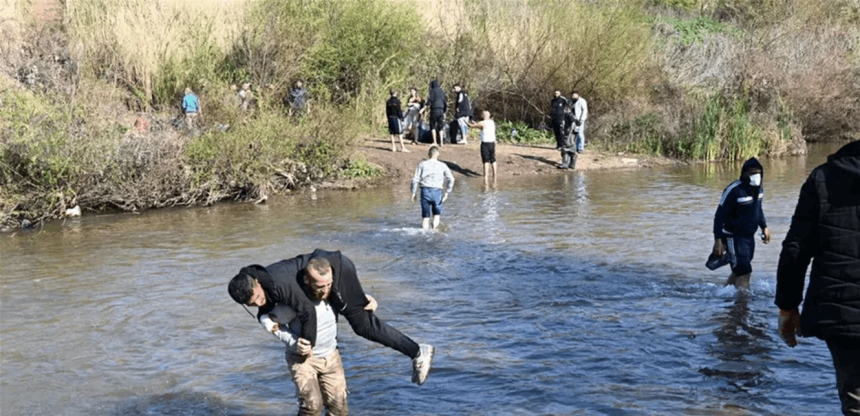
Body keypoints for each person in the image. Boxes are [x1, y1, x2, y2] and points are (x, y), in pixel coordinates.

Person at [228, 250, 436, 386]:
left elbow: (308, 312)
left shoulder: (279, 284)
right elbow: (265, 309)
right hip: (320, 281)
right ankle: (360, 299)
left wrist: (307, 344)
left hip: (337, 269)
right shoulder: (256, 286)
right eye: (251, 303)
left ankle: (418, 351)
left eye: (257, 297)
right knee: (353, 308)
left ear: (257, 282)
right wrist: (262, 316)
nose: (258, 302)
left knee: (362, 326)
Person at [774, 141, 860, 416]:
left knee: (856, 401)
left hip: (842, 314)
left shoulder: (823, 178)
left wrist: (787, 308)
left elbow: (795, 249)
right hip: (844, 313)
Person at [258, 263, 353, 416]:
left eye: (329, 284)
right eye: (320, 286)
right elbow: (268, 321)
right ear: (308, 281)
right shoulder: (294, 302)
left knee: (339, 409)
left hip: (331, 356)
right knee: (312, 407)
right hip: (302, 360)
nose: (326, 289)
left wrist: (366, 301)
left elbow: (355, 304)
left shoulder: (335, 295)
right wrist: (294, 342)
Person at [712, 158, 772, 288]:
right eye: (752, 172)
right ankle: (742, 304)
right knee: (745, 271)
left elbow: (758, 209)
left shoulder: (759, 190)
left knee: (739, 270)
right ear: (745, 173)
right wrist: (718, 240)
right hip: (733, 236)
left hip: (749, 238)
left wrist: (764, 226)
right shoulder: (734, 190)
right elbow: (719, 215)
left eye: (758, 173)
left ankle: (724, 296)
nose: (756, 176)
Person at [411, 146, 455, 230]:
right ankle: (434, 234)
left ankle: (424, 235)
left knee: (425, 218)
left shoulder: (422, 164)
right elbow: (451, 179)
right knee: (436, 216)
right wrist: (447, 192)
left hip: (425, 191)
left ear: (428, 154)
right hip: (437, 192)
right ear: (438, 154)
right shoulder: (443, 165)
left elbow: (415, 179)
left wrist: (413, 193)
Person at [469, 110, 497, 181]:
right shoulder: (492, 122)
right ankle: (495, 175)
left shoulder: (482, 122)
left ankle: (486, 176)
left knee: (486, 160)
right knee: (493, 159)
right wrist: (476, 123)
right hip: (492, 143)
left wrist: (466, 122)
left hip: (485, 143)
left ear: (483, 116)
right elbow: (480, 126)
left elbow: (472, 126)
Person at [424, 80, 447, 146]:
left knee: (433, 126)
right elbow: (445, 102)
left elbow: (430, 100)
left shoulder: (432, 91)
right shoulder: (442, 92)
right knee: (440, 126)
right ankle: (441, 142)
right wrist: (444, 111)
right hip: (441, 110)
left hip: (434, 110)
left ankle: (435, 142)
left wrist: (425, 105)